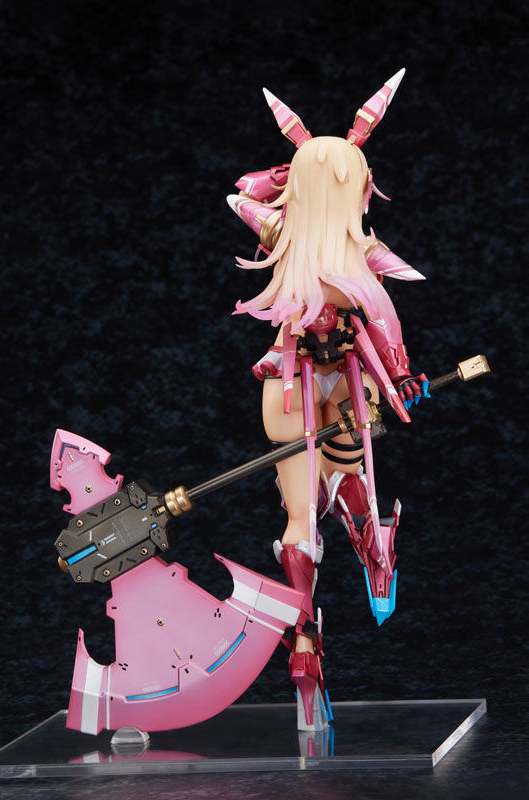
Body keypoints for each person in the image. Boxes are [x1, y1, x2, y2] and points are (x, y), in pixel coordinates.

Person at [228, 72, 429, 731]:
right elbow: (384, 319)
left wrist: (295, 168)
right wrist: (401, 374)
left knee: (301, 513)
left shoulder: (282, 237)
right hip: (334, 376)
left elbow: (241, 193)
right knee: (341, 478)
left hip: (297, 381)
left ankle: (305, 641)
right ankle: (370, 547)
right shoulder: (358, 254)